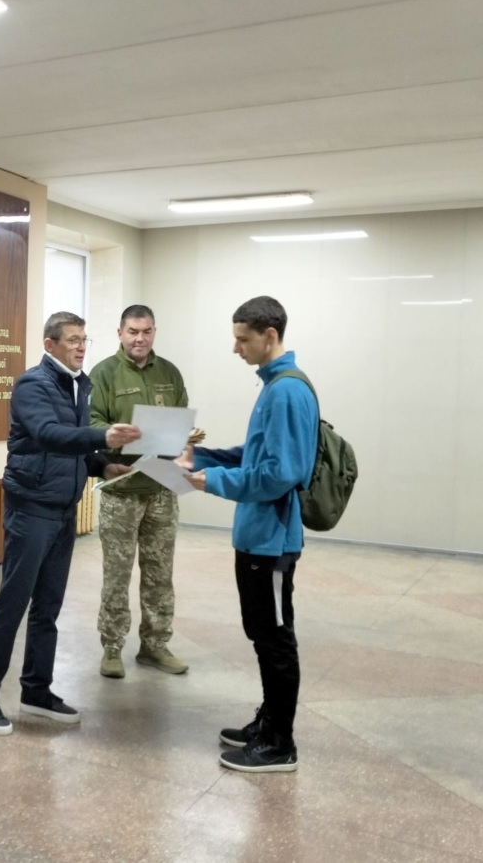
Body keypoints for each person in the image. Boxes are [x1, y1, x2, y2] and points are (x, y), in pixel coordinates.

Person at [0, 311, 140, 735]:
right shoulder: (33, 384)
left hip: (63, 510)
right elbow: (47, 434)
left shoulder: (78, 384)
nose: (81, 347)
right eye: (73, 340)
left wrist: (102, 466)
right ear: (50, 345)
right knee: (11, 605)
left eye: (84, 339)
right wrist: (104, 437)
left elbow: (71, 449)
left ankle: (36, 690)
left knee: (48, 607)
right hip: (31, 509)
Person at [178, 296, 317, 773]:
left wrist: (211, 481)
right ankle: (268, 721)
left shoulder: (286, 391)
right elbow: (255, 456)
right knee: (261, 632)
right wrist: (201, 458)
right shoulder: (274, 385)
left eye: (243, 339)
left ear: (269, 335)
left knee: (275, 639)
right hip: (257, 536)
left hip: (273, 542)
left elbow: (281, 473)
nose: (236, 348)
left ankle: (280, 744)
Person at [90, 304, 197, 679]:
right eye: (133, 331)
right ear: (120, 333)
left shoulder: (169, 372)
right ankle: (112, 647)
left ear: (154, 332)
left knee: (160, 573)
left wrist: (185, 444)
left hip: (162, 487)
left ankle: (155, 645)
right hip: (122, 488)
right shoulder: (103, 373)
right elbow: (92, 422)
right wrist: (115, 434)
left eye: (147, 331)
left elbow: (181, 421)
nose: (140, 338)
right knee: (116, 575)